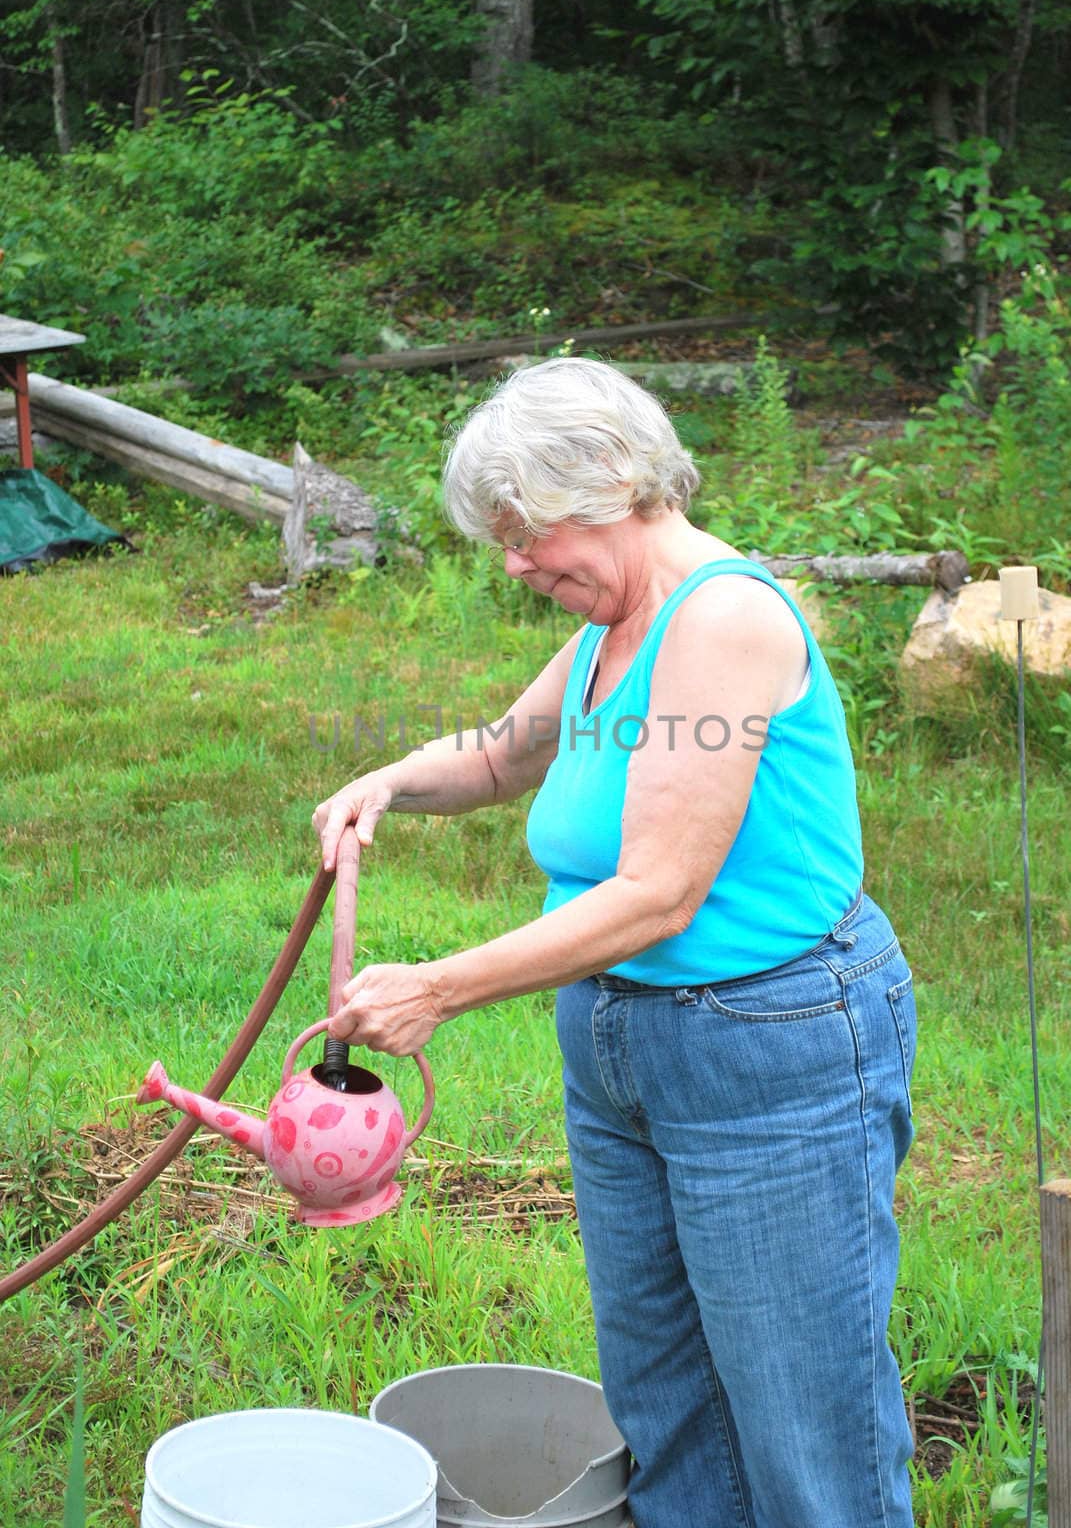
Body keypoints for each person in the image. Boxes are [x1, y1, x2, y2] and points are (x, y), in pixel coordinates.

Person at [313, 357, 916, 1528]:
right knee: (667, 1395)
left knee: (802, 1409)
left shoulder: (724, 616)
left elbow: (657, 895)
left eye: (528, 533)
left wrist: (438, 985)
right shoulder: (613, 624)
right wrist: (383, 781)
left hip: (769, 1045)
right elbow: (501, 754)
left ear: (618, 483)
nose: (516, 563)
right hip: (625, 1047)